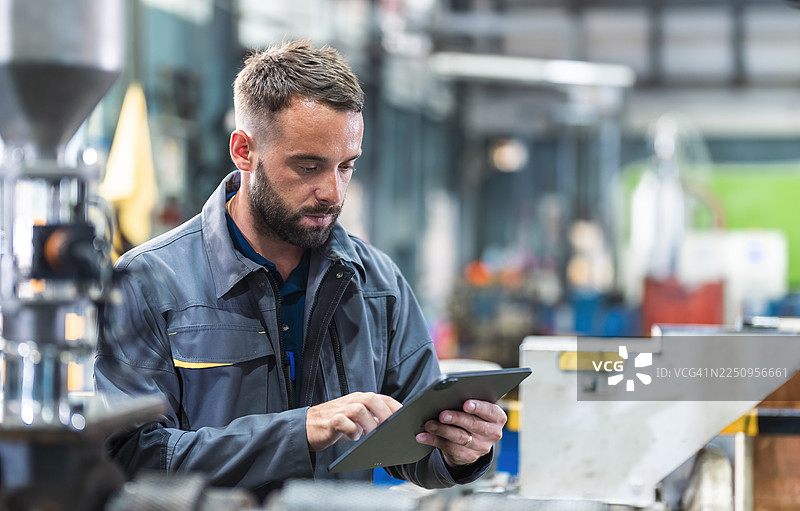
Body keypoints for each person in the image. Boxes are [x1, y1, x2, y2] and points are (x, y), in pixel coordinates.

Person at [95, 40, 507, 500]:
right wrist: (299, 431)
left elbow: (414, 445)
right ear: (243, 151)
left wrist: (461, 449)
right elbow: (128, 458)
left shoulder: (378, 286)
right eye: (309, 167)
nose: (332, 192)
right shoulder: (149, 283)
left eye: (346, 166)